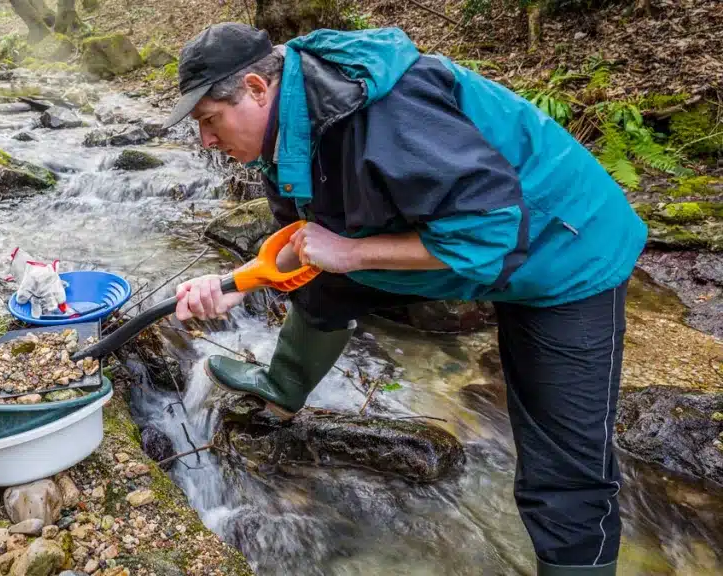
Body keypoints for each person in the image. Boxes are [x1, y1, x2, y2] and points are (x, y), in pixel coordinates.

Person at [163, 22, 648, 576]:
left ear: (255, 88)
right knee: (327, 274)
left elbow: (490, 235)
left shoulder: (388, 114)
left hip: (565, 251)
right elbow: (301, 250)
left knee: (563, 469)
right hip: (460, 241)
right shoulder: (284, 134)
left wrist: (355, 253)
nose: (205, 140)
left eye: (208, 121)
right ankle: (283, 388)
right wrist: (229, 286)